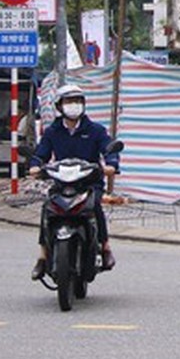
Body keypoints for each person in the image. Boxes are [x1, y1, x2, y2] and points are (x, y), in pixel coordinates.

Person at [28, 83, 119, 280]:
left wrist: (111, 164)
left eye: (78, 101)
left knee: (94, 205)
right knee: (47, 208)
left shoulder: (95, 130)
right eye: (69, 101)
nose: (74, 105)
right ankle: (43, 257)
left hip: (89, 183)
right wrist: (35, 166)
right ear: (59, 106)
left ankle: (105, 248)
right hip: (61, 183)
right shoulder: (52, 132)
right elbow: (40, 154)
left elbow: (109, 149)